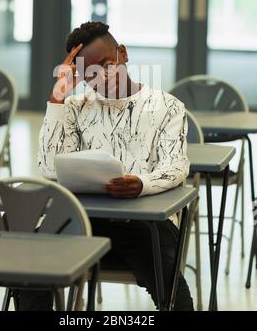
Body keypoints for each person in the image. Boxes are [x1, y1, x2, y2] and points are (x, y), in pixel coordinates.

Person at [18, 21, 194, 311]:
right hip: (84, 222)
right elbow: (50, 168)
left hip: (144, 226)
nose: (103, 76)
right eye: (90, 73)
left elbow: (176, 166)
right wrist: (57, 97)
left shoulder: (167, 106)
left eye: (107, 64)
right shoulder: (74, 107)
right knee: (30, 265)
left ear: (123, 54)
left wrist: (141, 184)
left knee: (172, 288)